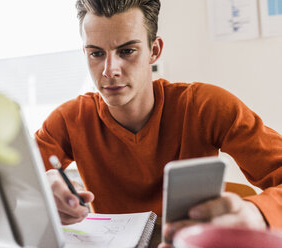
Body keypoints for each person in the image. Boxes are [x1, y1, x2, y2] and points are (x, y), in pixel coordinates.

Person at [35, 0, 282, 247]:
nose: (110, 70)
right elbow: (4, 188)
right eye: (96, 53)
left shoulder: (206, 106)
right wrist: (39, 194)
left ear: (154, 50)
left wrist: (257, 214)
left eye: (127, 51)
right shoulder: (69, 120)